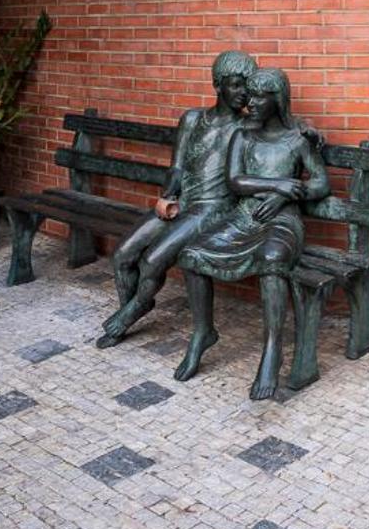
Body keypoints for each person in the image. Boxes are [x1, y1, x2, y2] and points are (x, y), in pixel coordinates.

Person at [174, 64, 329, 399]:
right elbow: (235, 181)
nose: (251, 102)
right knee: (191, 254)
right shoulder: (243, 136)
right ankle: (202, 332)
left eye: (260, 96)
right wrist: (279, 184)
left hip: (283, 220)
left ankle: (272, 349)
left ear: (278, 99)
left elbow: (320, 182)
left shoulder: (297, 140)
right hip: (245, 217)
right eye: (251, 95)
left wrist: (284, 196)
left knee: (272, 257)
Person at [96, 49, 256, 348]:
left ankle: (130, 314)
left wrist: (308, 131)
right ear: (218, 84)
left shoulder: (249, 127)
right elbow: (177, 167)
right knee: (122, 255)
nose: (243, 92)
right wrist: (168, 196)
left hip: (214, 209)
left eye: (248, 86)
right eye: (236, 85)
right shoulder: (193, 119)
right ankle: (134, 305)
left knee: (152, 260)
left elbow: (285, 127)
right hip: (182, 203)